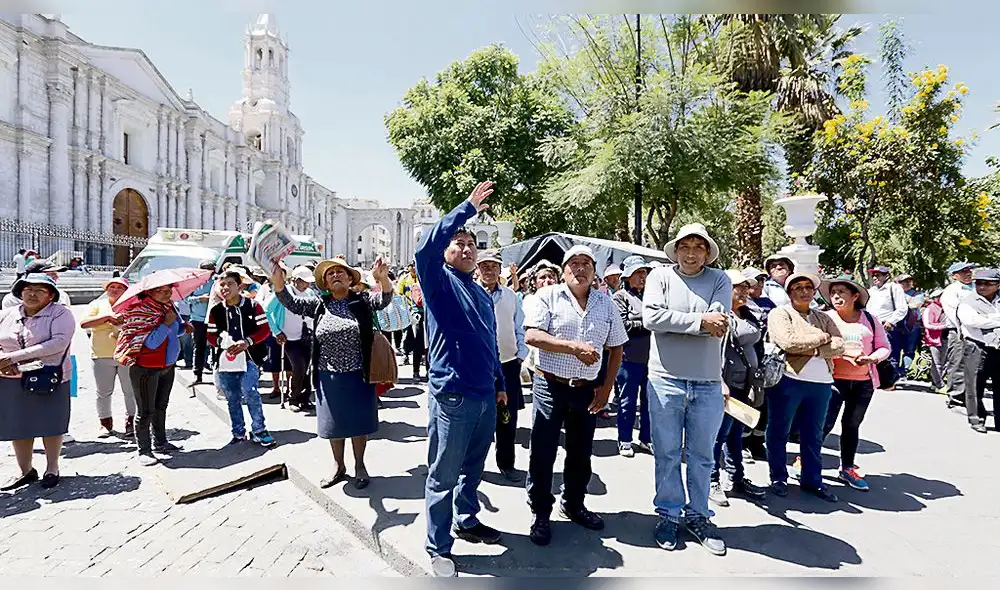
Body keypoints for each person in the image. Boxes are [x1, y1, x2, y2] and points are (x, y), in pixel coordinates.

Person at [417, 181, 507, 578]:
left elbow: (489, 342)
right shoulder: (437, 281)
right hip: (452, 395)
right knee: (443, 473)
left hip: (485, 394)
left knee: (473, 467)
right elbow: (425, 249)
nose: (467, 247)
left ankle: (466, 518)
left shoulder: (482, 292)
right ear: (447, 252)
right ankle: (438, 547)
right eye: (458, 242)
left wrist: (500, 383)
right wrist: (466, 208)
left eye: (472, 243)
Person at [524, 244, 627, 547]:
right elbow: (532, 335)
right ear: (564, 269)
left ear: (594, 271)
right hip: (549, 384)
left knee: (581, 451)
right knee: (543, 451)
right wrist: (573, 347)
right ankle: (541, 511)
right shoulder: (547, 296)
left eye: (586, 264)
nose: (580, 269)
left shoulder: (605, 303)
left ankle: (574, 503)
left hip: (586, 390)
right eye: (574, 263)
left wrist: (607, 387)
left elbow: (617, 346)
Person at [642, 223, 731, 555]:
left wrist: (677, 322)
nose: (691, 253)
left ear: (707, 252)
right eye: (685, 246)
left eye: (698, 247)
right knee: (665, 453)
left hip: (708, 382)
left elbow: (719, 323)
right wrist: (698, 323)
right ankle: (667, 513)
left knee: (702, 457)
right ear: (675, 250)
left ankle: (698, 516)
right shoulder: (659, 277)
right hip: (664, 379)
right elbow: (651, 318)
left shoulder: (720, 279)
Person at [273, 257, 392, 485]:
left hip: (360, 374)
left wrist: (383, 279)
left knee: (359, 424)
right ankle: (338, 465)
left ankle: (359, 465)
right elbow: (291, 303)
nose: (336, 275)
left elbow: (384, 300)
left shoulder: (362, 301)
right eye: (331, 273)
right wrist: (278, 283)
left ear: (350, 279)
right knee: (334, 425)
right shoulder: (319, 304)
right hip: (328, 375)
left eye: (341, 272)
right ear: (325, 283)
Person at [765, 273, 845, 503]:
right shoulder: (781, 313)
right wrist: (821, 338)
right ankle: (778, 477)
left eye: (808, 287)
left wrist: (815, 348)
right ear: (789, 292)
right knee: (779, 430)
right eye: (798, 287)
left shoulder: (822, 317)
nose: (804, 291)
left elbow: (839, 344)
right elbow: (788, 342)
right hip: (789, 379)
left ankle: (812, 480)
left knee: (814, 434)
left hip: (821, 383)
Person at [0, 275, 75, 490]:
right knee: (18, 425)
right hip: (11, 378)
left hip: (48, 377)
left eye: (39, 290)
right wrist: (2, 360)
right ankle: (25, 470)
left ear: (50, 295)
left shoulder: (61, 314)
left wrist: (13, 357)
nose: (32, 294)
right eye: (27, 290)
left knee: (50, 423)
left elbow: (58, 343)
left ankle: (52, 467)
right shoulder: (7, 315)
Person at [820, 276, 890, 491]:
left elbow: (884, 346)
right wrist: (843, 353)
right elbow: (819, 345)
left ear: (855, 296)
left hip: (863, 383)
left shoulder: (869, 319)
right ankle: (805, 460)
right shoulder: (824, 317)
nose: (836, 296)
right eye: (833, 293)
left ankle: (847, 468)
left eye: (842, 292)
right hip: (831, 380)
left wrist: (873, 358)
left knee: (851, 425)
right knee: (824, 423)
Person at [709, 270, 768, 507]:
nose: (743, 291)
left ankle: (736, 478)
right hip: (726, 385)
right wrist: (719, 381)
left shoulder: (749, 314)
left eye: (746, 287)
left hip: (746, 384)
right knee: (718, 435)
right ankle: (711, 480)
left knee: (736, 434)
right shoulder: (719, 316)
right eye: (738, 287)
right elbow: (712, 351)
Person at [116, 281, 189, 466]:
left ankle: (161, 442)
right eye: (161, 290)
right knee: (146, 410)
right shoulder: (140, 310)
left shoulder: (168, 307)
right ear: (149, 292)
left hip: (167, 365)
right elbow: (151, 343)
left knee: (161, 406)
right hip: (145, 367)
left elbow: (175, 332)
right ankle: (144, 450)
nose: (167, 294)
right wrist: (166, 323)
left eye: (169, 290)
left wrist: (184, 327)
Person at [207, 270, 276, 447]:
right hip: (225, 361)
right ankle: (238, 432)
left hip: (250, 359)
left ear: (239, 286)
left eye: (229, 283)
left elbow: (265, 330)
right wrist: (222, 342)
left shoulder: (253, 306)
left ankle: (259, 429)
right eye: (222, 284)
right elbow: (210, 336)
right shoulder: (216, 310)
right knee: (232, 398)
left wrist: (248, 342)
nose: (225, 288)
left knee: (250, 391)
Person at [477, 251, 528, 482]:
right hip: (478, 365)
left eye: (493, 266)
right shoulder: (470, 293)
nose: (489, 270)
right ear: (477, 269)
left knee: (507, 418)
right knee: (477, 418)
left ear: (500, 270)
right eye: (484, 266)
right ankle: (474, 466)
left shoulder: (511, 296)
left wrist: (520, 356)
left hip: (508, 364)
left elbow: (520, 327)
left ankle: (506, 463)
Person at [80, 278, 136, 438]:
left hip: (127, 353)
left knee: (130, 391)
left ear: (126, 290)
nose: (115, 289)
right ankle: (105, 423)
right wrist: (107, 318)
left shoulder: (133, 304)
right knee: (103, 392)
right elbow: (84, 323)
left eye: (120, 287)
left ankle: (131, 421)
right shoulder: (97, 305)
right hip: (101, 354)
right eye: (112, 287)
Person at [612, 255, 653, 457]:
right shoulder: (620, 297)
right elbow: (622, 326)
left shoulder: (651, 296)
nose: (642, 276)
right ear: (628, 277)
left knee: (650, 402)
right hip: (628, 360)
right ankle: (625, 439)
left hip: (651, 360)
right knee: (627, 402)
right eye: (638, 273)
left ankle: (646, 438)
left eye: (644, 272)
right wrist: (648, 323)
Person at [956, 268, 1000, 434]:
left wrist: (988, 320)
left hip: (998, 347)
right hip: (976, 346)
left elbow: (982, 320)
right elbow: (972, 321)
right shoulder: (968, 302)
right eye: (979, 283)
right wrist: (996, 320)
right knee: (975, 384)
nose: (982, 287)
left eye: (987, 283)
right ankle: (977, 419)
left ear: (997, 285)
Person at [267, 265, 316, 411]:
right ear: (294, 280)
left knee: (307, 368)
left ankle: (305, 398)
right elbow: (267, 311)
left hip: (306, 335)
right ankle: (293, 399)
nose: (307, 284)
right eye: (304, 281)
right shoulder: (284, 292)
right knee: (298, 367)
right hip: (288, 337)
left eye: (308, 282)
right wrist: (276, 331)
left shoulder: (309, 293)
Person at [941, 262, 976, 410]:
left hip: (978, 330)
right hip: (959, 330)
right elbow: (953, 312)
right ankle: (955, 397)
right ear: (955, 275)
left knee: (974, 364)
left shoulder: (976, 288)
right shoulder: (951, 291)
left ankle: (970, 397)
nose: (968, 273)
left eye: (969, 270)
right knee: (958, 362)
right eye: (963, 271)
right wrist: (962, 330)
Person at [865, 266, 909, 382]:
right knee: (875, 353)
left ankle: (890, 381)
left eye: (878, 275)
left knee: (890, 353)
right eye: (873, 275)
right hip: (872, 326)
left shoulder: (894, 288)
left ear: (886, 276)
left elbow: (902, 308)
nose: (875, 277)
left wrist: (891, 321)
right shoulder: (871, 291)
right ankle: (878, 379)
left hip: (887, 326)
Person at [185, 260, 217, 384]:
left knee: (216, 346)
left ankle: (217, 375)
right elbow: (187, 298)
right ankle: (197, 374)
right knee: (199, 347)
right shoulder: (194, 283)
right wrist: (199, 298)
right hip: (197, 319)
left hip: (214, 319)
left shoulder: (217, 282)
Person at [922, 288, 948, 392]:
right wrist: (944, 326)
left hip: (945, 338)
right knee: (937, 363)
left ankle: (935, 383)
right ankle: (939, 385)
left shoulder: (946, 307)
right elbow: (928, 324)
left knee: (944, 362)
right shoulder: (930, 309)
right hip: (934, 339)